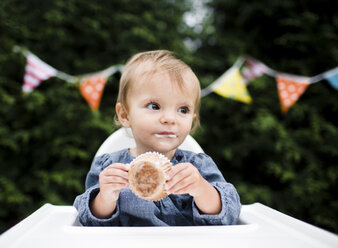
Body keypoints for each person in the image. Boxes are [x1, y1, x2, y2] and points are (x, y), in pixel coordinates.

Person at [74, 50, 241, 226]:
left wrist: (201, 189)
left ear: (192, 120)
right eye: (154, 106)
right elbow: (87, 222)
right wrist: (105, 198)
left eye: (183, 110)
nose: (170, 118)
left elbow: (231, 214)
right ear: (125, 115)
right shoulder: (107, 166)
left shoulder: (198, 166)